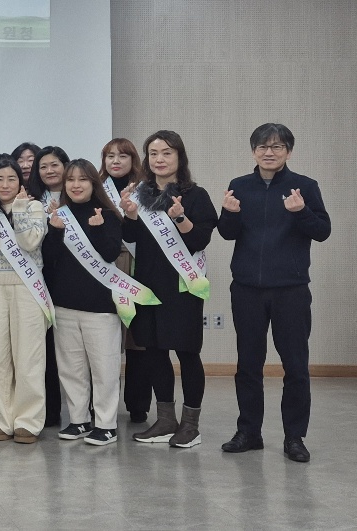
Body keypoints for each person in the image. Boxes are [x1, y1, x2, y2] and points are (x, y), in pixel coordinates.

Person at [218, 123, 331, 463]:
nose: (269, 152)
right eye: (263, 147)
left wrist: (301, 212)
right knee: (248, 365)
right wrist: (229, 213)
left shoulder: (305, 187)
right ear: (253, 151)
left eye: (277, 147)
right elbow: (226, 234)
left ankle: (294, 437)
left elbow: (322, 231)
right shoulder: (239, 186)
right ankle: (249, 432)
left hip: (291, 289)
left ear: (288, 151)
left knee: (295, 366)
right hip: (247, 288)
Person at [120, 130, 218, 449]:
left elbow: (200, 239)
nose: (159, 159)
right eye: (153, 153)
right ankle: (165, 420)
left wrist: (181, 219)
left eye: (166, 153)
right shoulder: (141, 194)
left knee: (187, 352)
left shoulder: (195, 195)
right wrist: (130, 214)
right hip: (149, 284)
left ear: (179, 157)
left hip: (183, 286)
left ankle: (190, 425)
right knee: (154, 351)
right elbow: (130, 236)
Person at [42, 160, 126, 446]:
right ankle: (79, 420)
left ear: (93, 183)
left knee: (104, 368)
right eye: (70, 180)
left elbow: (111, 254)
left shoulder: (108, 214)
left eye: (83, 179)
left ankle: (107, 424)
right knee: (70, 368)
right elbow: (49, 260)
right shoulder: (58, 216)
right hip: (64, 305)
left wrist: (100, 229)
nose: (76, 185)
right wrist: (53, 230)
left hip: (100, 308)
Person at [0, 155, 49, 443]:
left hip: (27, 288)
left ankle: (28, 420)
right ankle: (3, 419)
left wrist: (18, 209)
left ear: (21, 181)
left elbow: (30, 242)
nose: (5, 184)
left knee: (28, 356)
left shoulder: (34, 207)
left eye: (11, 178)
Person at [100, 138, 152, 425]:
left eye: (122, 156)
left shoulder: (147, 191)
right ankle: (102, 405)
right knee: (105, 339)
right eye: (110, 156)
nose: (115, 161)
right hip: (105, 267)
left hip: (138, 266)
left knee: (137, 340)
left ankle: (138, 404)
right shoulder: (95, 190)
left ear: (134, 160)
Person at [25, 144, 69, 427]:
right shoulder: (29, 199)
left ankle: (82, 411)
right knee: (47, 347)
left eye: (55, 164)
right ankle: (50, 410)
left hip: (75, 279)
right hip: (40, 278)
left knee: (74, 349)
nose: (49, 170)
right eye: (43, 166)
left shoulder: (79, 194)